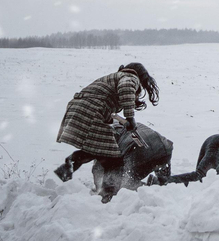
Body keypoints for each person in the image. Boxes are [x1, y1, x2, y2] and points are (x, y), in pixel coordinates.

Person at [54, 62, 160, 197]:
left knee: (98, 149)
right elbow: (126, 88)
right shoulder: (130, 77)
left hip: (78, 109)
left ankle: (68, 166)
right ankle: (108, 193)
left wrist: (111, 120)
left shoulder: (113, 77)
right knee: (114, 157)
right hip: (90, 112)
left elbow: (103, 99)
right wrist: (130, 118)